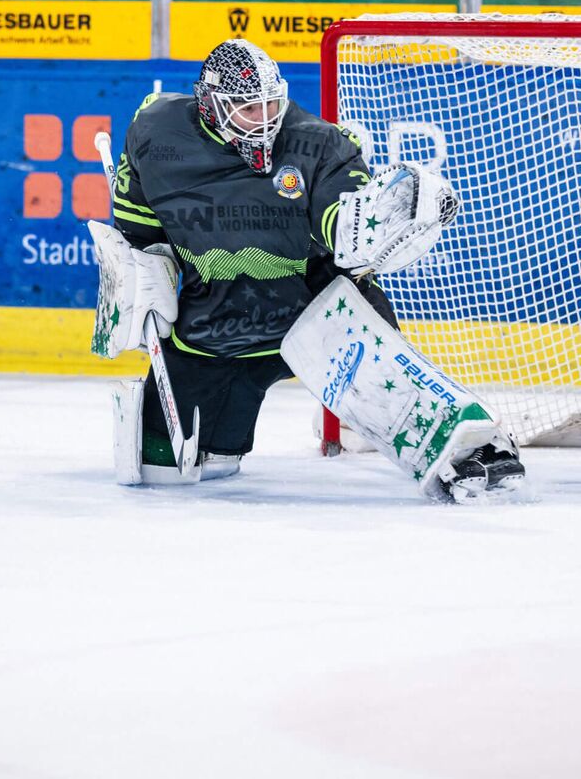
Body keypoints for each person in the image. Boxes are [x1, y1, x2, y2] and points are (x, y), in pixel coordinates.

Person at [92, 38, 525, 502]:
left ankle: (474, 447)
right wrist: (141, 276)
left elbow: (343, 225)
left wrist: (372, 227)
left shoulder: (318, 144)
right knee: (166, 468)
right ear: (211, 105)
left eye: (271, 104)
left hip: (313, 305)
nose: (265, 120)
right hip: (214, 318)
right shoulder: (156, 132)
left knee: (376, 367)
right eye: (248, 109)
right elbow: (137, 228)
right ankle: (220, 440)